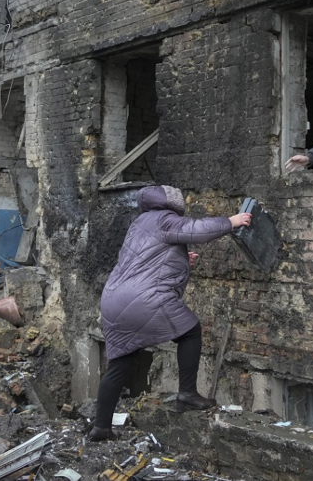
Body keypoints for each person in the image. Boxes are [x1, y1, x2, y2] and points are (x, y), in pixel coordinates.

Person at [87, 185, 252, 442]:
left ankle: (101, 427)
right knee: (190, 331)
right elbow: (197, 230)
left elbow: (148, 260)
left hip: (113, 299)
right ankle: (187, 392)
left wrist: (183, 259)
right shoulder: (165, 219)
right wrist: (231, 222)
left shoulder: (140, 223)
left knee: (121, 362)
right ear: (172, 202)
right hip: (143, 298)